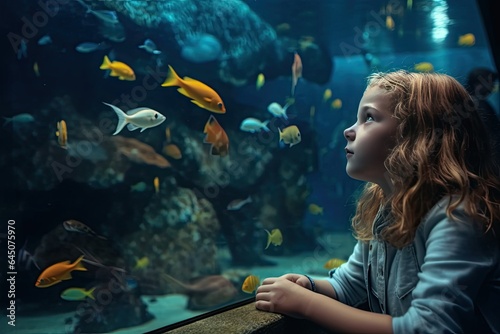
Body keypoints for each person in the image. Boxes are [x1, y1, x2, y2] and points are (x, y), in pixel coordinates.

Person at [255, 70, 500, 333]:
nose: (349, 131)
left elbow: (428, 328)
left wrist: (306, 304)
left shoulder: (457, 216)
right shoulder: (386, 207)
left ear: (417, 137)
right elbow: (350, 285)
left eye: (368, 118)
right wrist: (309, 285)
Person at [466, 67, 500, 169]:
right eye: (491, 82)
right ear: (478, 84)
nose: (493, 85)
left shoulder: (469, 103)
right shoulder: (477, 106)